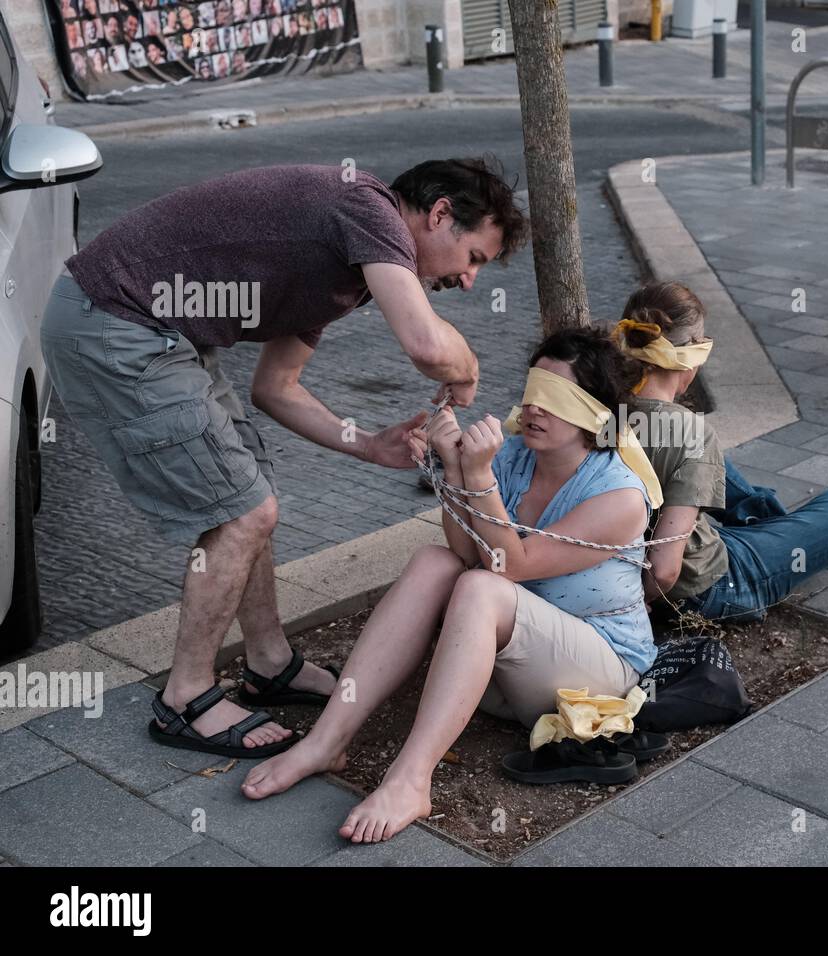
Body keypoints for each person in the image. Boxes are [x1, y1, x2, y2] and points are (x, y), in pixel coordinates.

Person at [40, 157, 528, 760]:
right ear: (439, 215)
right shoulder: (367, 210)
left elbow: (276, 388)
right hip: (115, 321)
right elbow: (429, 346)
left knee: (251, 489)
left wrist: (371, 444)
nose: (470, 280)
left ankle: (269, 663)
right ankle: (183, 698)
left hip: (168, 333)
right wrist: (469, 369)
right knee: (244, 513)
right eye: (474, 258)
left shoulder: (347, 272)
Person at [241, 328, 658, 843]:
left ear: (596, 412)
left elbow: (512, 565)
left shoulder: (619, 496)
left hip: (590, 681)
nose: (533, 410)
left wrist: (477, 475)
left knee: (483, 588)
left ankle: (412, 780)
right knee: (435, 561)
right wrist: (454, 466)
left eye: (555, 399)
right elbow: (463, 553)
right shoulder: (515, 458)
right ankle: (328, 739)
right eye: (532, 394)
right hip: (506, 671)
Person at [616, 280, 828, 623]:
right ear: (693, 356)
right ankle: (786, 535)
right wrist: (633, 607)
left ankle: (769, 526)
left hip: (653, 558)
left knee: (694, 452)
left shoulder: (602, 408)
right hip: (712, 588)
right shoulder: (689, 431)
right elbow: (666, 571)